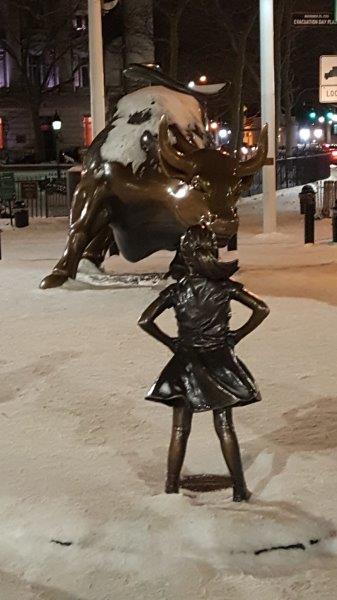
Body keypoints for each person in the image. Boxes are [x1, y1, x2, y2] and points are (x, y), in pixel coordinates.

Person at [138, 223, 269, 501]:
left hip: (185, 363)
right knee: (225, 427)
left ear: (186, 255)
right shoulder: (224, 288)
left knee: (179, 430)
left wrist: (172, 343)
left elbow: (145, 320)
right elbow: (261, 308)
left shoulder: (178, 291)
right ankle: (238, 489)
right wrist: (236, 336)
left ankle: (171, 488)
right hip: (221, 361)